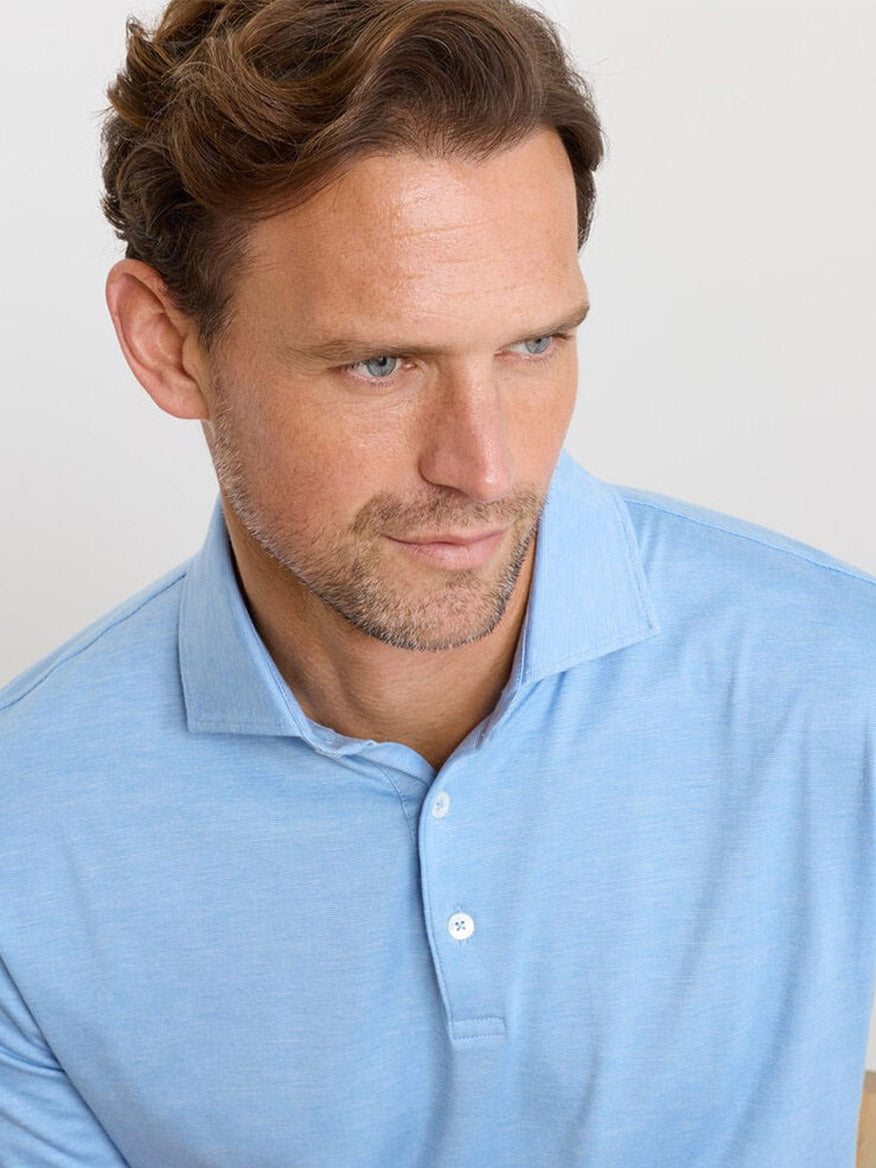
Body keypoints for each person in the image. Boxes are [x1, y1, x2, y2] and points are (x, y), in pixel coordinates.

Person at [1, 0, 874, 1164]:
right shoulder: (27, 838)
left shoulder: (842, 683)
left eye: (533, 346)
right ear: (168, 342)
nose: (487, 466)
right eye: (380, 362)